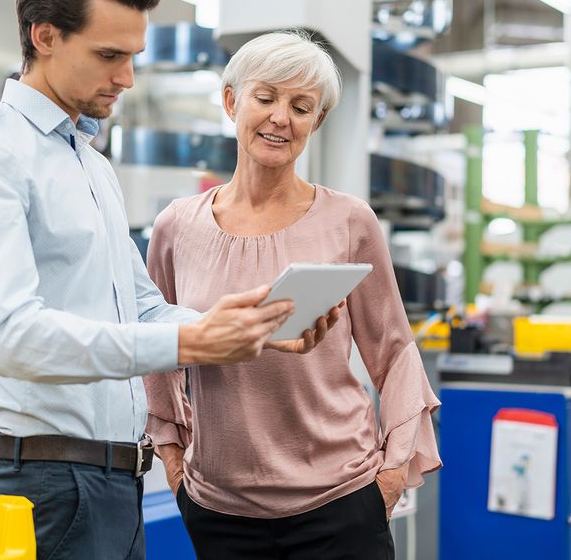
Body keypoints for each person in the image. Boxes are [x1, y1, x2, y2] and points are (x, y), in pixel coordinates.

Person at [0, 0, 339, 560]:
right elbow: (13, 338)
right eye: (108, 55)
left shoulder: (89, 164)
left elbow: (144, 310)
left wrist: (247, 326)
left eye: (132, 57)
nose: (125, 77)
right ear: (44, 36)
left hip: (116, 483)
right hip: (52, 487)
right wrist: (190, 343)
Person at [144, 31, 442, 560]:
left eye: (301, 107)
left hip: (340, 502)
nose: (281, 117)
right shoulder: (175, 227)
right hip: (218, 509)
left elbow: (394, 350)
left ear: (315, 123)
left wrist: (393, 474)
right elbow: (156, 346)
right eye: (266, 98)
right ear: (232, 101)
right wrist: (172, 457)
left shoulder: (348, 221)